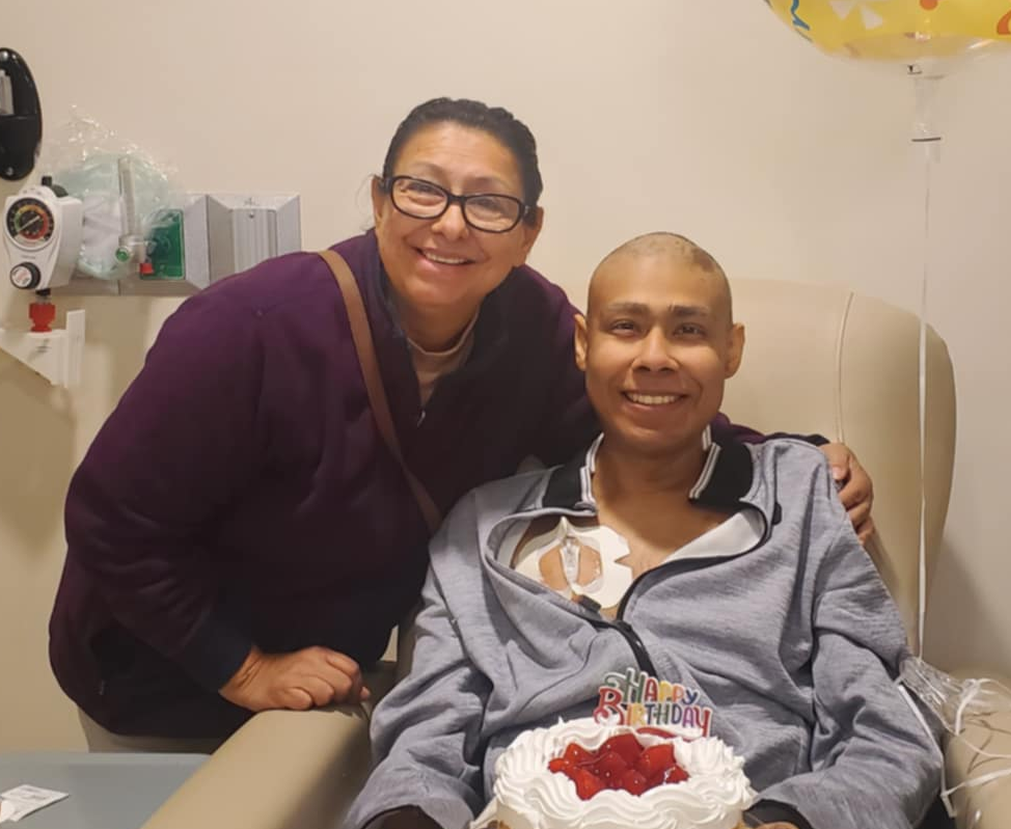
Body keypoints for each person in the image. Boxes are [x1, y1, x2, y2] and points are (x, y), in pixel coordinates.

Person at [48, 98, 875, 750]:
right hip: (165, 672)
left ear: (528, 232)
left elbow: (624, 418)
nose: (450, 224)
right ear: (380, 201)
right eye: (424, 190)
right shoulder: (249, 327)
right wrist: (242, 667)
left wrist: (791, 461)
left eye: (488, 203)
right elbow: (110, 519)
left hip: (335, 678)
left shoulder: (531, 325)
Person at [344, 233, 940, 829]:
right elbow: (423, 740)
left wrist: (791, 821)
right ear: (583, 344)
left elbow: (887, 733)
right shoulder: (485, 529)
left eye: (688, 330)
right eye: (626, 327)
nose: (655, 357)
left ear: (731, 349)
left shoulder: (802, 500)